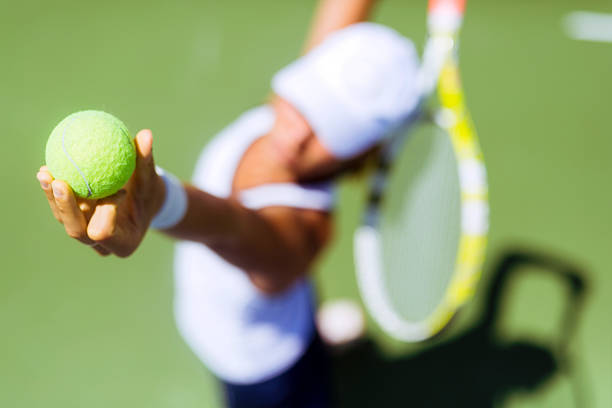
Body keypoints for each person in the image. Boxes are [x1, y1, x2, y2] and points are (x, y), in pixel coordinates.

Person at [35, 0, 420, 406]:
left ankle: (313, 347)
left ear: (361, 153)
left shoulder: (307, 227)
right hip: (225, 318)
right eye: (310, 97)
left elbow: (233, 225)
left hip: (263, 367)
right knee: (305, 313)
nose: (301, 127)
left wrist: (159, 201)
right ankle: (316, 333)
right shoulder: (298, 107)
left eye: (332, 126)